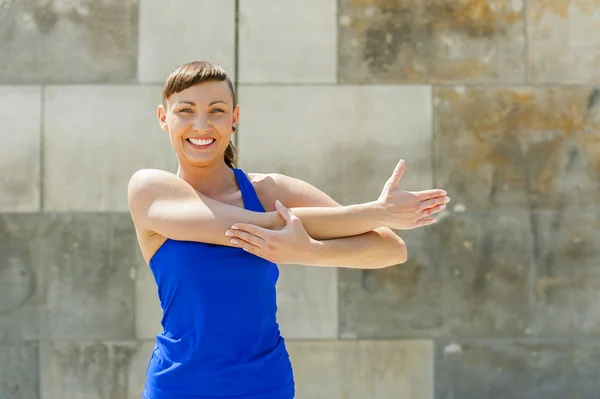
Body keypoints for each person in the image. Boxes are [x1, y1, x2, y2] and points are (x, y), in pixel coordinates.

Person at [127, 60, 449, 399]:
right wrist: (375, 211)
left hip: (265, 386)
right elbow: (246, 226)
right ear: (164, 118)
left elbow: (391, 249)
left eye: (216, 110)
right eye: (186, 110)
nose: (202, 125)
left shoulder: (269, 192)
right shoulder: (148, 189)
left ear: (234, 119)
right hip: (179, 387)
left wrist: (312, 250)